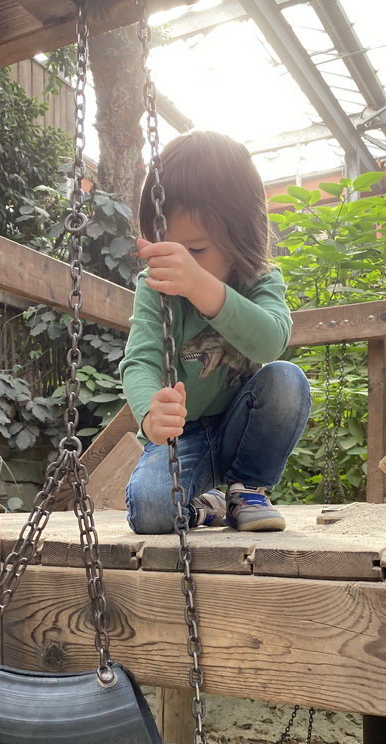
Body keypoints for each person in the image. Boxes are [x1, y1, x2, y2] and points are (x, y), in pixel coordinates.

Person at [119, 130, 311, 534]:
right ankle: (207, 508)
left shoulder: (260, 279)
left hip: (241, 426)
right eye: (166, 250)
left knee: (286, 380)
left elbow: (271, 340)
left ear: (241, 234)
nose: (179, 265)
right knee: (152, 511)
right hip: (182, 435)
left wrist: (199, 286)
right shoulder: (154, 286)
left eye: (196, 251)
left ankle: (247, 489)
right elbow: (140, 360)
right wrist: (151, 415)